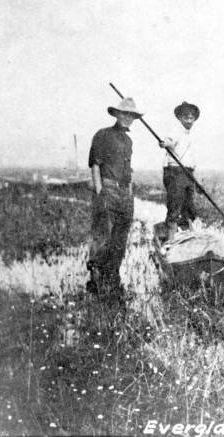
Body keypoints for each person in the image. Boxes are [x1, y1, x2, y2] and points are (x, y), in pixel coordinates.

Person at [86, 97, 142, 302]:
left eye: (132, 115)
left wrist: (130, 193)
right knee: (103, 233)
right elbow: (95, 165)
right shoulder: (103, 135)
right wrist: (100, 192)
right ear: (117, 114)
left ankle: (112, 277)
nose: (128, 118)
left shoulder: (128, 141)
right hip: (108, 189)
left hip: (125, 193)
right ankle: (96, 278)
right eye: (125, 114)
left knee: (120, 237)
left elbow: (129, 170)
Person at [159, 101, 200, 241]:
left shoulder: (191, 135)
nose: (189, 120)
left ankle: (189, 237)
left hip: (188, 173)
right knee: (175, 205)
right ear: (180, 118)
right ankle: (170, 240)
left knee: (189, 206)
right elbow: (168, 141)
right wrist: (165, 143)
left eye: (191, 117)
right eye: (186, 117)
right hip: (175, 172)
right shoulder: (175, 131)